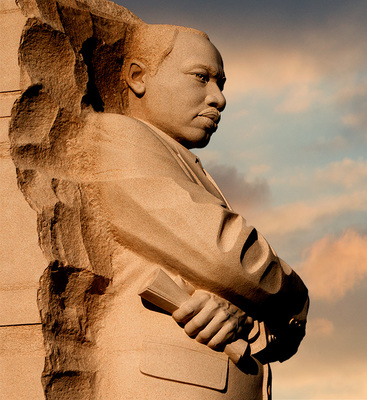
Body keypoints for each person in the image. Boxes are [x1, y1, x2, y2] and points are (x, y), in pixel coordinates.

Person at [74, 24, 308, 398]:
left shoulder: (180, 160)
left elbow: (233, 285)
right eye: (201, 77)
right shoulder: (119, 137)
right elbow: (225, 256)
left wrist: (244, 314)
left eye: (221, 84)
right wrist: (296, 297)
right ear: (137, 77)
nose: (219, 98)